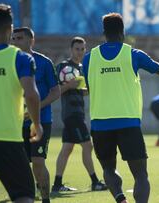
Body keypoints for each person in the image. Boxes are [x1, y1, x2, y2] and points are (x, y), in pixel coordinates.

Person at [82, 13, 159, 203]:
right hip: (128, 123)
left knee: (108, 169)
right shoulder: (133, 54)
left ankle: (120, 199)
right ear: (122, 32)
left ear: (104, 33)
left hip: (100, 124)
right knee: (140, 175)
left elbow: (90, 87)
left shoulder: (88, 59)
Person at [0, 4, 43, 203]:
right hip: (7, 139)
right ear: (10, 29)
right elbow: (31, 94)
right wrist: (36, 123)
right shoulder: (20, 58)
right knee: (24, 195)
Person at [12, 27, 60, 203]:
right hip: (15, 122)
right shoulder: (8, 61)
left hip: (40, 121)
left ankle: (46, 199)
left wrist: (36, 107)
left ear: (31, 40)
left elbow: (56, 91)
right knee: (19, 166)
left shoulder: (44, 62)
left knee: (38, 163)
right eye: (13, 38)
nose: (15, 41)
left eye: (20, 38)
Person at [52, 37, 106, 192]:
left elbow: (81, 92)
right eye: (77, 49)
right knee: (88, 146)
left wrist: (88, 90)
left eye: (83, 49)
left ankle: (57, 184)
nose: (80, 52)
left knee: (67, 148)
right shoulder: (63, 66)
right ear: (71, 49)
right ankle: (95, 182)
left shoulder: (82, 68)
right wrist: (69, 85)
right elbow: (55, 91)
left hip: (78, 113)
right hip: (72, 114)